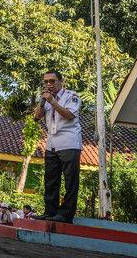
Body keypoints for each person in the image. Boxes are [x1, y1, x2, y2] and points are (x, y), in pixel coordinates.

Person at [33, 70, 81, 223]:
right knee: (51, 180)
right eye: (46, 81)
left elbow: (69, 115)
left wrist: (53, 102)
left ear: (61, 82)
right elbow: (36, 117)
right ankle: (50, 211)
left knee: (70, 181)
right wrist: (43, 102)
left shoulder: (71, 96)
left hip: (69, 143)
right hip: (51, 144)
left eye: (52, 81)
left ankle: (66, 214)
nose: (48, 84)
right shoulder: (45, 99)